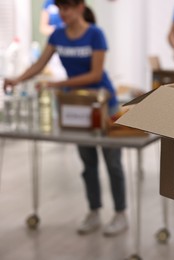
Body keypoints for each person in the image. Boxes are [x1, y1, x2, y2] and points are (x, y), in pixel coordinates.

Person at [4, 0, 128, 237]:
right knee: (87, 161)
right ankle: (94, 211)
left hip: (105, 103)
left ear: (80, 7)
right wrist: (17, 79)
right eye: (60, 8)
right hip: (79, 106)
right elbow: (39, 65)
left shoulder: (96, 34)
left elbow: (94, 74)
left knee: (112, 160)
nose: (63, 13)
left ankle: (120, 213)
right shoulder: (57, 36)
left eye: (67, 7)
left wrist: (57, 85)